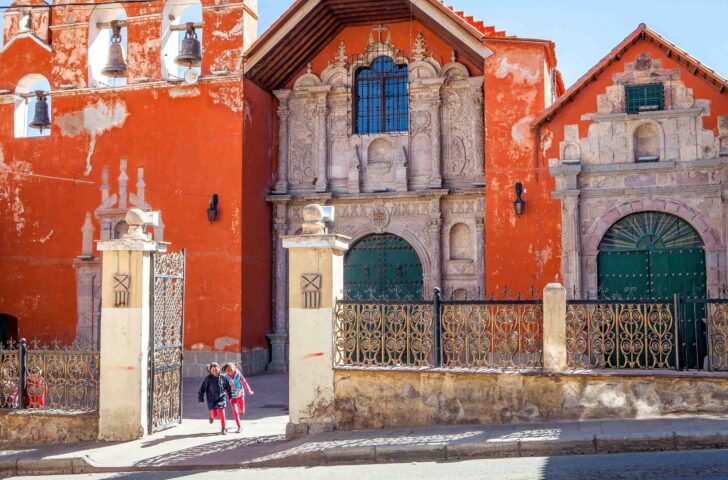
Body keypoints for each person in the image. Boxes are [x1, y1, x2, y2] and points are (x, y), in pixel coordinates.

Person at [197, 362, 232, 434]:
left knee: (222, 412)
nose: (215, 372)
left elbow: (228, 387)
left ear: (219, 369)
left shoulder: (223, 377)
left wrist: (230, 395)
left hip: (221, 397)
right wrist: (200, 398)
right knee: (214, 415)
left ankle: (223, 428)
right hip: (211, 399)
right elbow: (202, 389)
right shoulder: (208, 379)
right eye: (213, 370)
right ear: (210, 371)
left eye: (216, 370)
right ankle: (211, 416)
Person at [222, 363, 254, 433]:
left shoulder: (238, 374)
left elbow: (244, 382)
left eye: (231, 369)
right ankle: (239, 426)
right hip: (231, 396)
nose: (229, 371)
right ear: (225, 371)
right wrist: (222, 393)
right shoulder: (225, 377)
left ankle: (242, 411)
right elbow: (223, 387)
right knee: (235, 412)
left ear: (235, 368)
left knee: (241, 406)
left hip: (240, 394)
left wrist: (249, 390)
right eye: (227, 370)